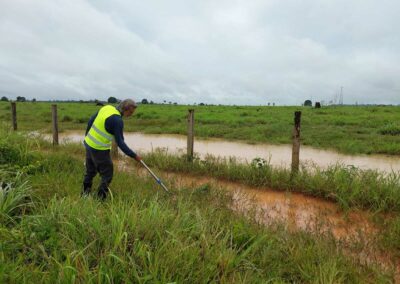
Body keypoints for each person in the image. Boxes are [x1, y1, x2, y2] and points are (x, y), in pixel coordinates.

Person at [82, 99, 141, 200]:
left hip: (88, 144)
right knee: (107, 174)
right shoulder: (117, 121)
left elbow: (91, 120)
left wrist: (87, 136)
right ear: (125, 109)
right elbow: (120, 143)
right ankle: (100, 199)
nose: (131, 115)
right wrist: (134, 155)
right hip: (99, 149)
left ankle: (84, 194)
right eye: (130, 112)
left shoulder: (107, 108)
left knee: (90, 171)